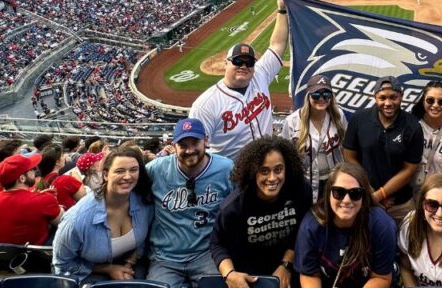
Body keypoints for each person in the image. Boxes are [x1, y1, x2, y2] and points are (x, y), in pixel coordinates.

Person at [190, 0, 289, 160]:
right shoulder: (205, 105)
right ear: (225, 64)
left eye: (249, 62)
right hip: (232, 176)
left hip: (266, 166)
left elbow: (277, 45)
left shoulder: (260, 75)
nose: (244, 66)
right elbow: (197, 150)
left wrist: (281, 10)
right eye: (238, 61)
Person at [212, 136, 312, 288]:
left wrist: (286, 265)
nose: (272, 178)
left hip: (290, 268)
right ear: (253, 172)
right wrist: (230, 274)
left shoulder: (300, 191)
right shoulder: (234, 206)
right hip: (250, 276)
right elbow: (217, 243)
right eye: (264, 171)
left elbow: (302, 233)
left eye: (278, 170)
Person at [146, 117, 234, 288]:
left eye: (195, 142)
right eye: (183, 145)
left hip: (207, 255)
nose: (189, 150)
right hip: (165, 258)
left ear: (206, 141)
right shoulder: (156, 169)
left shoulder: (226, 169)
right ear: (174, 145)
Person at [53, 148, 154, 284]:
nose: (128, 176)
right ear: (105, 175)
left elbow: (143, 240)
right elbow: (61, 265)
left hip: (132, 268)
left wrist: (130, 261)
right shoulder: (78, 218)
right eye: (119, 171)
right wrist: (107, 269)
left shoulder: (144, 203)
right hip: (88, 273)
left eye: (133, 170)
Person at [294, 162, 397, 288]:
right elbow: (309, 275)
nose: (347, 200)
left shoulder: (382, 225)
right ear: (328, 193)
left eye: (355, 193)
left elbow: (381, 277)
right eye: (339, 192)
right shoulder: (311, 226)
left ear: (364, 197)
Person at [343, 76, 423, 220]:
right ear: (375, 97)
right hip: (364, 199)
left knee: (404, 242)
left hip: (400, 205)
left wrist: (380, 194)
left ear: (401, 97)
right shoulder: (359, 118)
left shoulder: (413, 127)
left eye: (393, 97)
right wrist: (369, 191)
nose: (388, 103)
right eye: (382, 98)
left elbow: (409, 169)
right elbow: (349, 156)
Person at [281, 74, 348, 201]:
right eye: (316, 95)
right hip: (304, 182)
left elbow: (346, 146)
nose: (321, 98)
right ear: (308, 96)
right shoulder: (292, 121)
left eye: (326, 94)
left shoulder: (338, 116)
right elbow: (285, 155)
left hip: (334, 180)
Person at [0, 153, 64, 245]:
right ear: (22, 178)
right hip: (34, 256)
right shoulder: (42, 200)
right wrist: (56, 206)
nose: (35, 172)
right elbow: (64, 222)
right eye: (32, 169)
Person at [36, 145, 88, 209]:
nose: (65, 156)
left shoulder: (41, 180)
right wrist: (79, 180)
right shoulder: (63, 180)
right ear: (57, 162)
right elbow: (84, 200)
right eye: (62, 155)